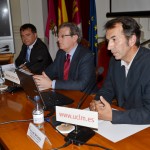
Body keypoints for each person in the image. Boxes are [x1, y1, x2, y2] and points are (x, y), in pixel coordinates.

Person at [90, 16, 150, 124]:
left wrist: (113, 116)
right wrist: (98, 102)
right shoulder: (115, 61)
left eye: (114, 39)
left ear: (132, 40)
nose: (108, 47)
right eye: (108, 41)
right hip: (125, 123)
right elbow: (107, 90)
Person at [33, 22, 96, 92]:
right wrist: (34, 79)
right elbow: (49, 72)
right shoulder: (61, 53)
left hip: (84, 97)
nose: (58, 40)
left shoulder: (86, 55)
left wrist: (51, 84)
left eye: (62, 36)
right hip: (65, 92)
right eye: (58, 36)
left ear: (74, 38)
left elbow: (81, 84)